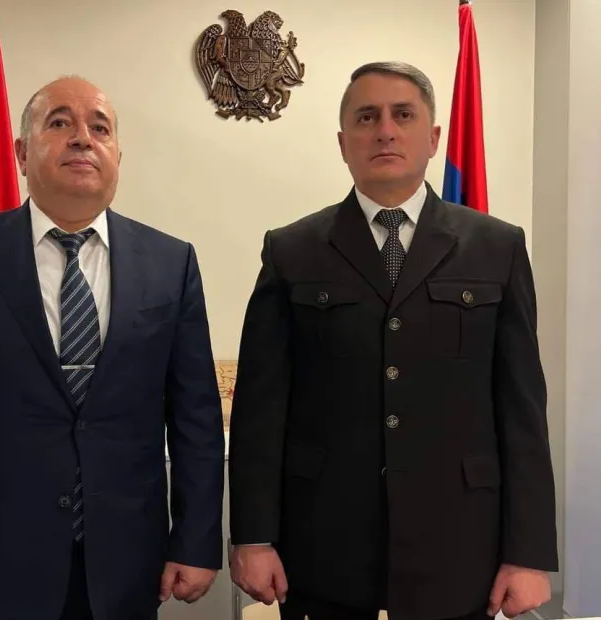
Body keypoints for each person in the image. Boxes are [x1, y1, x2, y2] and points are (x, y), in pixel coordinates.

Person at [0, 76, 225, 620]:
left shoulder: (172, 263)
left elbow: (196, 416)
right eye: (59, 122)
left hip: (126, 569)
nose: (82, 138)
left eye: (99, 128)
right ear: (22, 153)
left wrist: (195, 538)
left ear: (118, 156)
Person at [228, 61, 558, 620]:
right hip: (324, 546)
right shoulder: (291, 250)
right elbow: (261, 409)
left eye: (403, 115)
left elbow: (522, 410)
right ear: (343, 143)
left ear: (433, 138)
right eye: (366, 117)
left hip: (459, 545)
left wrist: (527, 554)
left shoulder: (496, 247)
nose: (385, 130)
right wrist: (254, 538)